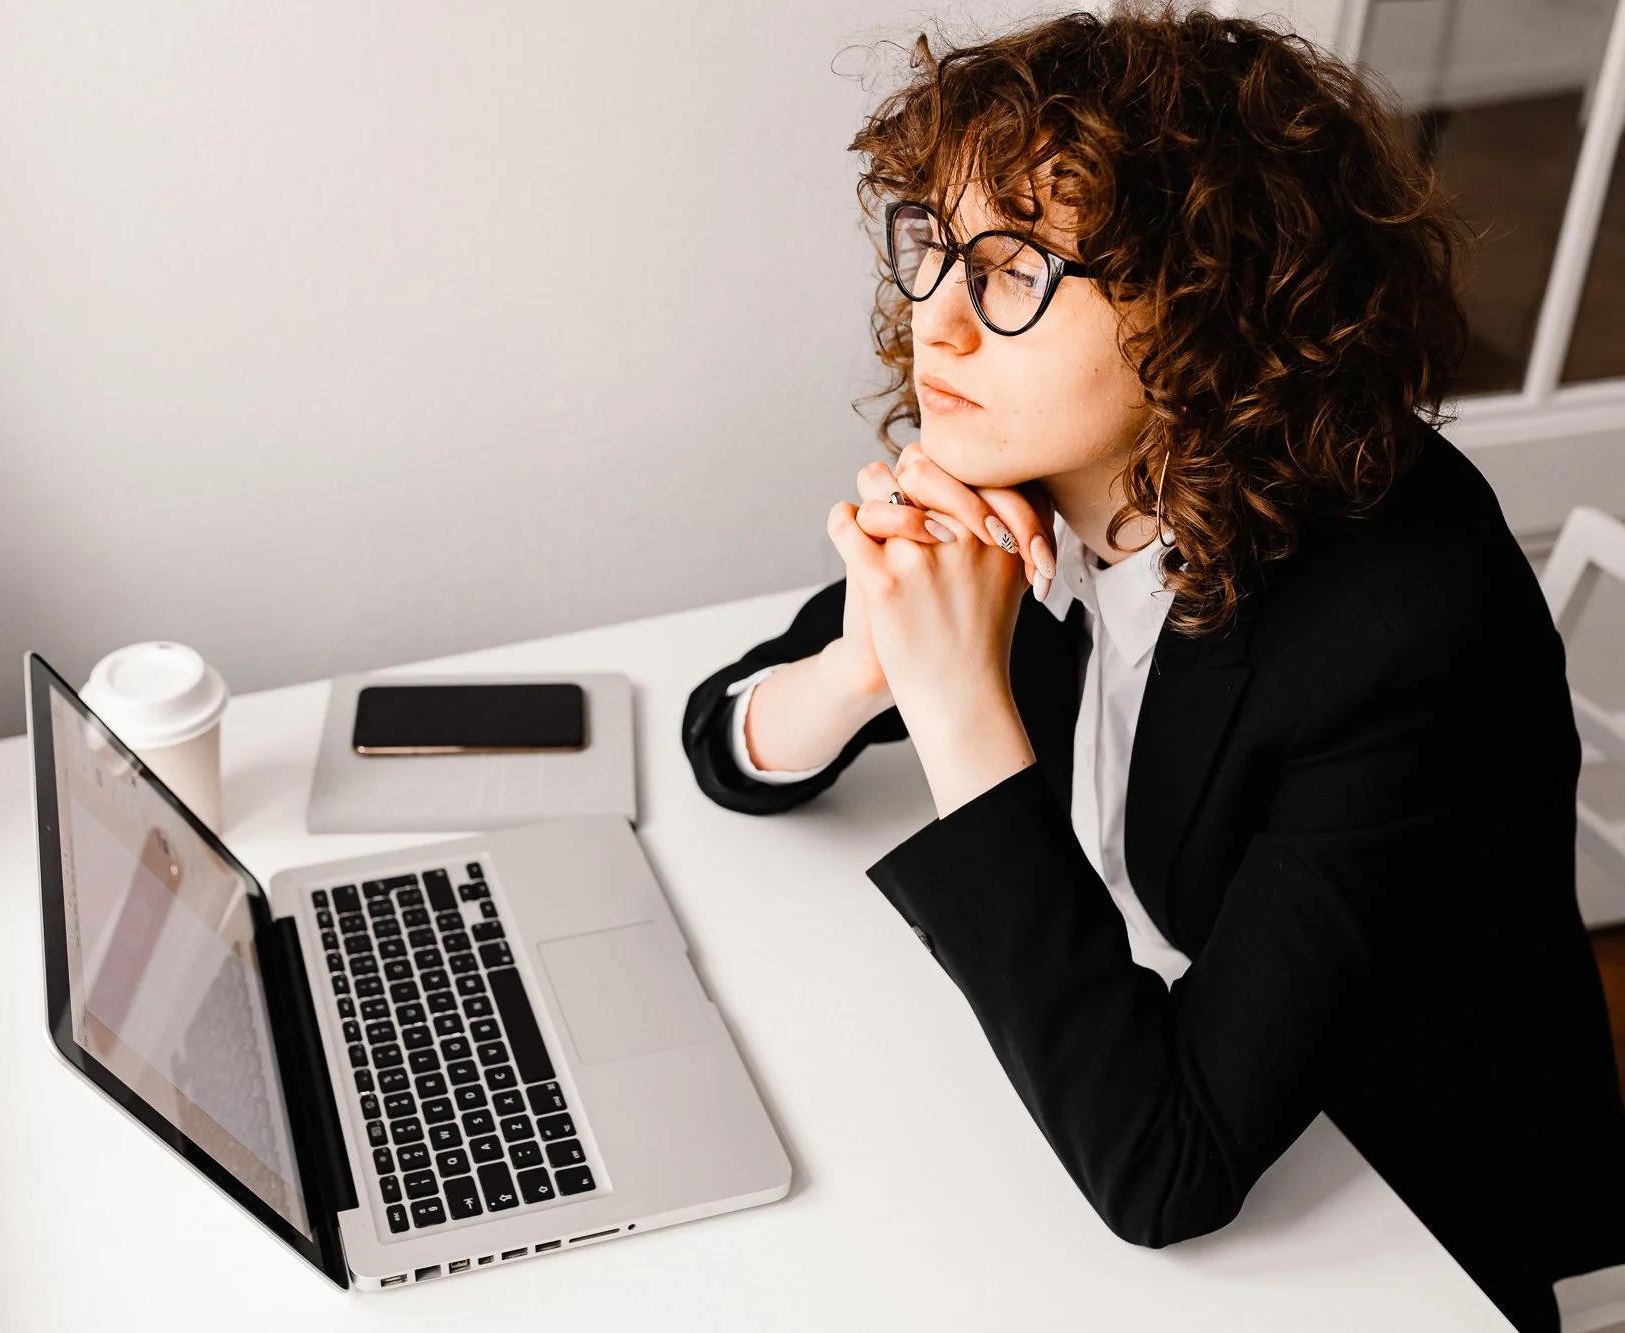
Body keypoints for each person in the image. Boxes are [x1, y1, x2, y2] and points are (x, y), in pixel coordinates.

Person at [678, 7, 1625, 1329]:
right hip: (1156, 1029)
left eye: (1015, 267)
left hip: (1403, 1209)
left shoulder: (1406, 641)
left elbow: (1166, 1172)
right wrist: (859, 663)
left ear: (1205, 304)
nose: (933, 325)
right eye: (936, 249)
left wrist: (958, 705)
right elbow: (723, 746)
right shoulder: (1054, 471)